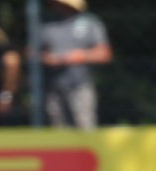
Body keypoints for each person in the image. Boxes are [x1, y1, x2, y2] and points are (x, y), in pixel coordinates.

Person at [40, 0, 111, 129]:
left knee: (85, 126)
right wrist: (47, 59)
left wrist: (73, 57)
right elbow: (32, 52)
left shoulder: (89, 23)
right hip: (54, 87)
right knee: (58, 130)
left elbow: (104, 54)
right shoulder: (48, 24)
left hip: (80, 85)